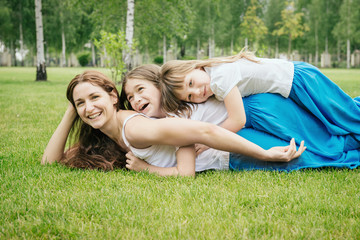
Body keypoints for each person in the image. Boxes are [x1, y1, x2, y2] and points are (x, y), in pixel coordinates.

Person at [42, 70, 305, 176]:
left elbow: (202, 132)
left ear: (113, 97)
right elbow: (50, 162)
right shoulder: (110, 133)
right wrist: (71, 109)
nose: (89, 107)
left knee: (322, 149)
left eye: (94, 98)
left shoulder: (136, 128)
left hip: (244, 134)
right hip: (230, 148)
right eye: (81, 103)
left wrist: (264, 154)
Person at [121, 64, 360, 175]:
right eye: (130, 97)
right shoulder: (167, 112)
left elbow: (227, 121)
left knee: (330, 131)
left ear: (158, 85)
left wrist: (147, 169)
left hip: (255, 111)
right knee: (307, 151)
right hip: (238, 140)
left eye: (141, 89)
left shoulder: (181, 100)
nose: (136, 99)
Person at [160, 50, 360, 142]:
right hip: (294, 84)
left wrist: (205, 140)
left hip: (300, 80)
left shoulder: (219, 78)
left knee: (346, 116)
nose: (197, 92)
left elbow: (238, 120)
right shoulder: (214, 76)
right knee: (337, 116)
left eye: (191, 83)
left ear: (195, 67)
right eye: (189, 97)